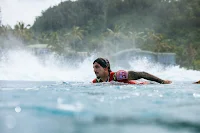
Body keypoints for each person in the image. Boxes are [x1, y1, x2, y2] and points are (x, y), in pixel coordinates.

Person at [92, 57, 172, 84]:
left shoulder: (117, 75)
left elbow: (141, 74)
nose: (94, 70)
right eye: (94, 68)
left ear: (106, 68)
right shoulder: (96, 82)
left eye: (97, 67)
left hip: (142, 86)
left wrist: (162, 81)